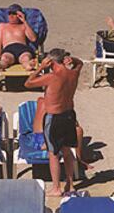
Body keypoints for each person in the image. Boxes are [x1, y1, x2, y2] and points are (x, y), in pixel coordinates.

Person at [24, 48, 83, 197]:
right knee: (67, 150)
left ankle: (56, 188)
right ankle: (70, 184)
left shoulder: (52, 77)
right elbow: (80, 63)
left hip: (54, 117)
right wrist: (71, 60)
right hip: (69, 115)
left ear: (50, 62)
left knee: (53, 153)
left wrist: (40, 68)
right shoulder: (73, 73)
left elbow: (28, 83)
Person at [32, 97, 93, 170]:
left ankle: (77, 158)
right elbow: (73, 124)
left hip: (36, 140)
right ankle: (78, 160)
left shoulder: (40, 100)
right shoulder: (58, 105)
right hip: (47, 141)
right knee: (78, 131)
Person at [0, 3, 37, 72]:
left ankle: (28, 66)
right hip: (8, 49)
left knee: (25, 58)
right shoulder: (2, 26)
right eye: (9, 13)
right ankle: (1, 65)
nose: (11, 16)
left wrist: (24, 21)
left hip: (23, 48)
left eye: (14, 14)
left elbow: (33, 39)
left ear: (19, 15)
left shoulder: (23, 26)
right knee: (5, 58)